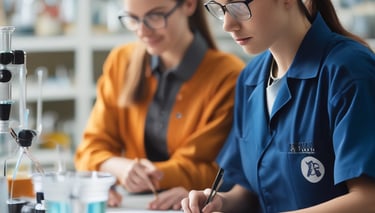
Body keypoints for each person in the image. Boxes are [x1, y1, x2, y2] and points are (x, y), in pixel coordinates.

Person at [181, 0, 375, 212]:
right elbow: (251, 188)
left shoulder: (350, 72)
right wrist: (221, 203)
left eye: (238, 5)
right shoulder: (250, 77)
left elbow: (368, 200)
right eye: (220, 9)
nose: (227, 25)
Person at [74, 0, 245, 210]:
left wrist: (149, 176)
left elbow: (221, 169)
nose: (142, 31)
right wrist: (121, 169)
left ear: (189, 5)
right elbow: (88, 150)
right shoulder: (121, 62)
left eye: (155, 16)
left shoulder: (229, 75)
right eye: (133, 19)